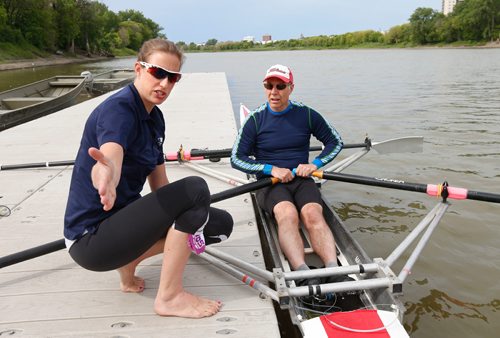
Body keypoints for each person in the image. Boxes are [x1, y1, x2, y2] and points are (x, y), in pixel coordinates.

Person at [64, 38, 233, 318]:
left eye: (173, 77)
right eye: (158, 72)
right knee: (195, 188)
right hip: (91, 241)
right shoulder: (119, 109)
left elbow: (160, 186)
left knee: (217, 224)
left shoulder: (155, 119)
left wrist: (191, 214)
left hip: (122, 230)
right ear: (138, 69)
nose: (165, 83)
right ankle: (169, 297)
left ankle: (129, 267)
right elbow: (111, 152)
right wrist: (107, 171)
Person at [231, 64, 347, 286]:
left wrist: (315, 164)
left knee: (313, 213)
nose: (274, 91)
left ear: (291, 88)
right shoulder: (254, 120)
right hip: (270, 182)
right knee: (288, 214)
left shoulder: (307, 114)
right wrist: (269, 169)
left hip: (301, 178)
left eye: (280, 86)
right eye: (269, 86)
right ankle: (302, 273)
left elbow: (335, 141)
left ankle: (334, 269)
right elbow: (237, 158)